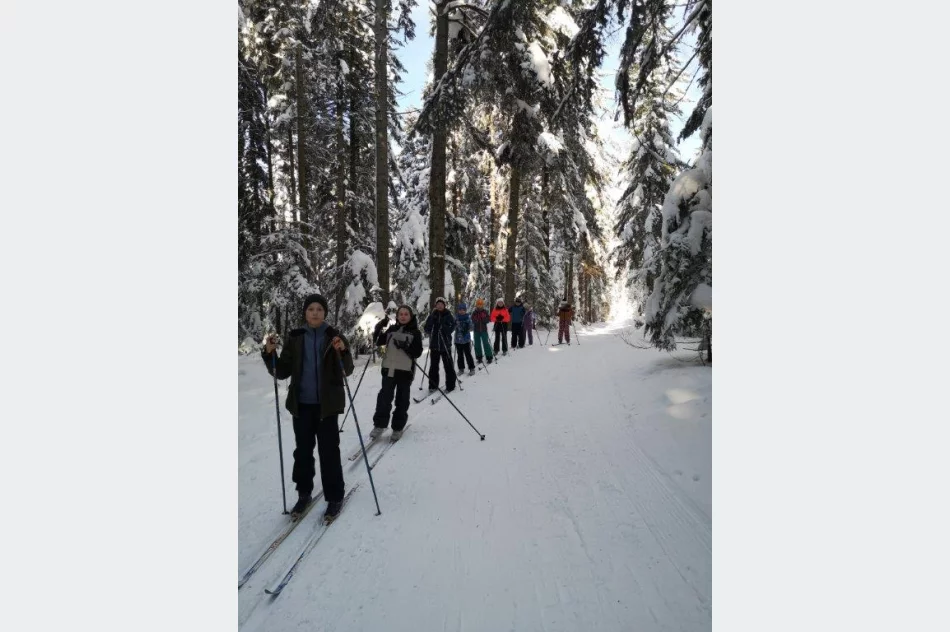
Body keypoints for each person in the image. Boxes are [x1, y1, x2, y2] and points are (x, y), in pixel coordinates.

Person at [262, 294, 355, 521]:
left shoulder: (335, 336)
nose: (315, 313)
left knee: (329, 452)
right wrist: (269, 353)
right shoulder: (296, 337)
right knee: (302, 453)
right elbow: (282, 371)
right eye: (311, 309)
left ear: (325, 313)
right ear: (305, 312)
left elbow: (348, 369)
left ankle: (334, 496)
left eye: (319, 309)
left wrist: (342, 351)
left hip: (328, 406)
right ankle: (304, 494)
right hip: (301, 406)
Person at [370, 305, 424, 442]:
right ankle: (379, 425)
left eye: (406, 314)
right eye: (401, 314)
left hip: (405, 372)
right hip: (389, 369)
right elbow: (378, 341)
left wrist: (406, 347)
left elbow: (417, 352)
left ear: (410, 316)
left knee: (402, 400)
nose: (403, 316)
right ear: (397, 316)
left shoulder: (415, 332)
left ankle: (397, 427)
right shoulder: (392, 329)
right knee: (384, 398)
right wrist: (378, 327)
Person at [423, 297, 457, 392]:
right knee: (433, 367)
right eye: (438, 304)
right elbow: (426, 329)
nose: (440, 306)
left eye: (441, 304)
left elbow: (452, 328)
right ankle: (433, 385)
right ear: (436, 305)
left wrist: (443, 327)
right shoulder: (432, 315)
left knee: (448, 366)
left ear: (444, 305)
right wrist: (432, 325)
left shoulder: (448, 315)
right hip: (434, 345)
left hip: (445, 345)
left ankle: (451, 385)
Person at [454, 302, 477, 376]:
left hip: (466, 340)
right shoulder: (456, 318)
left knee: (468, 354)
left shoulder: (468, 317)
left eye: (463, 309)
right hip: (458, 340)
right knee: (460, 355)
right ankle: (461, 368)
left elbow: (472, 327)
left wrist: (468, 326)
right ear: (458, 310)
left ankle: (471, 368)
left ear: (465, 310)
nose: (461, 311)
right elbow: (452, 326)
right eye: (460, 309)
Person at [470, 299, 494, 365]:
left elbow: (488, 319)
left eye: (481, 304)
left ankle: (489, 357)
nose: (479, 306)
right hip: (476, 331)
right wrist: (476, 320)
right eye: (478, 304)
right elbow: (472, 320)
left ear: (482, 305)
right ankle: (479, 357)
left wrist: (483, 319)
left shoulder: (485, 312)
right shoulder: (474, 312)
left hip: (483, 330)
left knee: (486, 343)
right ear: (476, 305)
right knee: (477, 344)